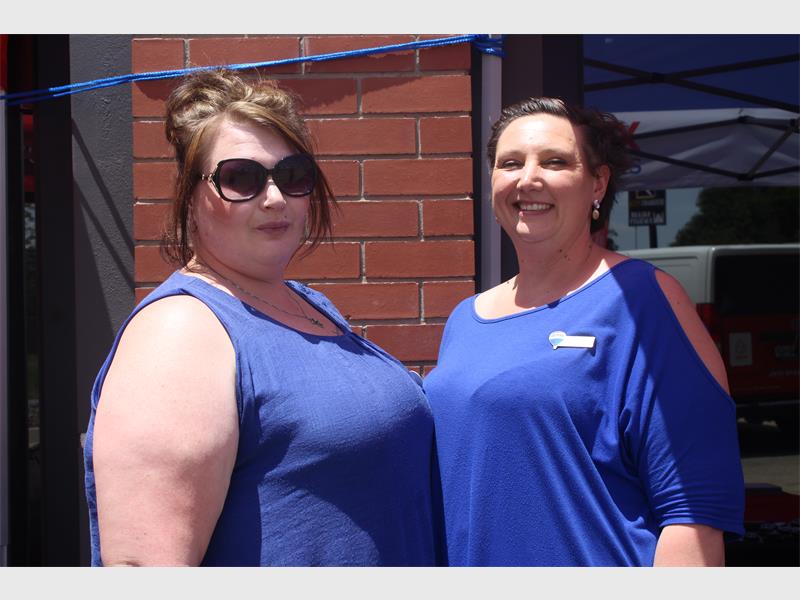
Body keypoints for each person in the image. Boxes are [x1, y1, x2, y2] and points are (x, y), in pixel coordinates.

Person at [83, 69, 442, 566]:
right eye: (240, 179)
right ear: (191, 194)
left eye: (293, 175)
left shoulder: (308, 305)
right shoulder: (181, 333)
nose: (274, 198)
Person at [423, 97, 745, 567]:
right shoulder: (464, 320)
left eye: (555, 162)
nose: (527, 178)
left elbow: (693, 512)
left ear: (598, 183)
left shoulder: (643, 299)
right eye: (509, 163)